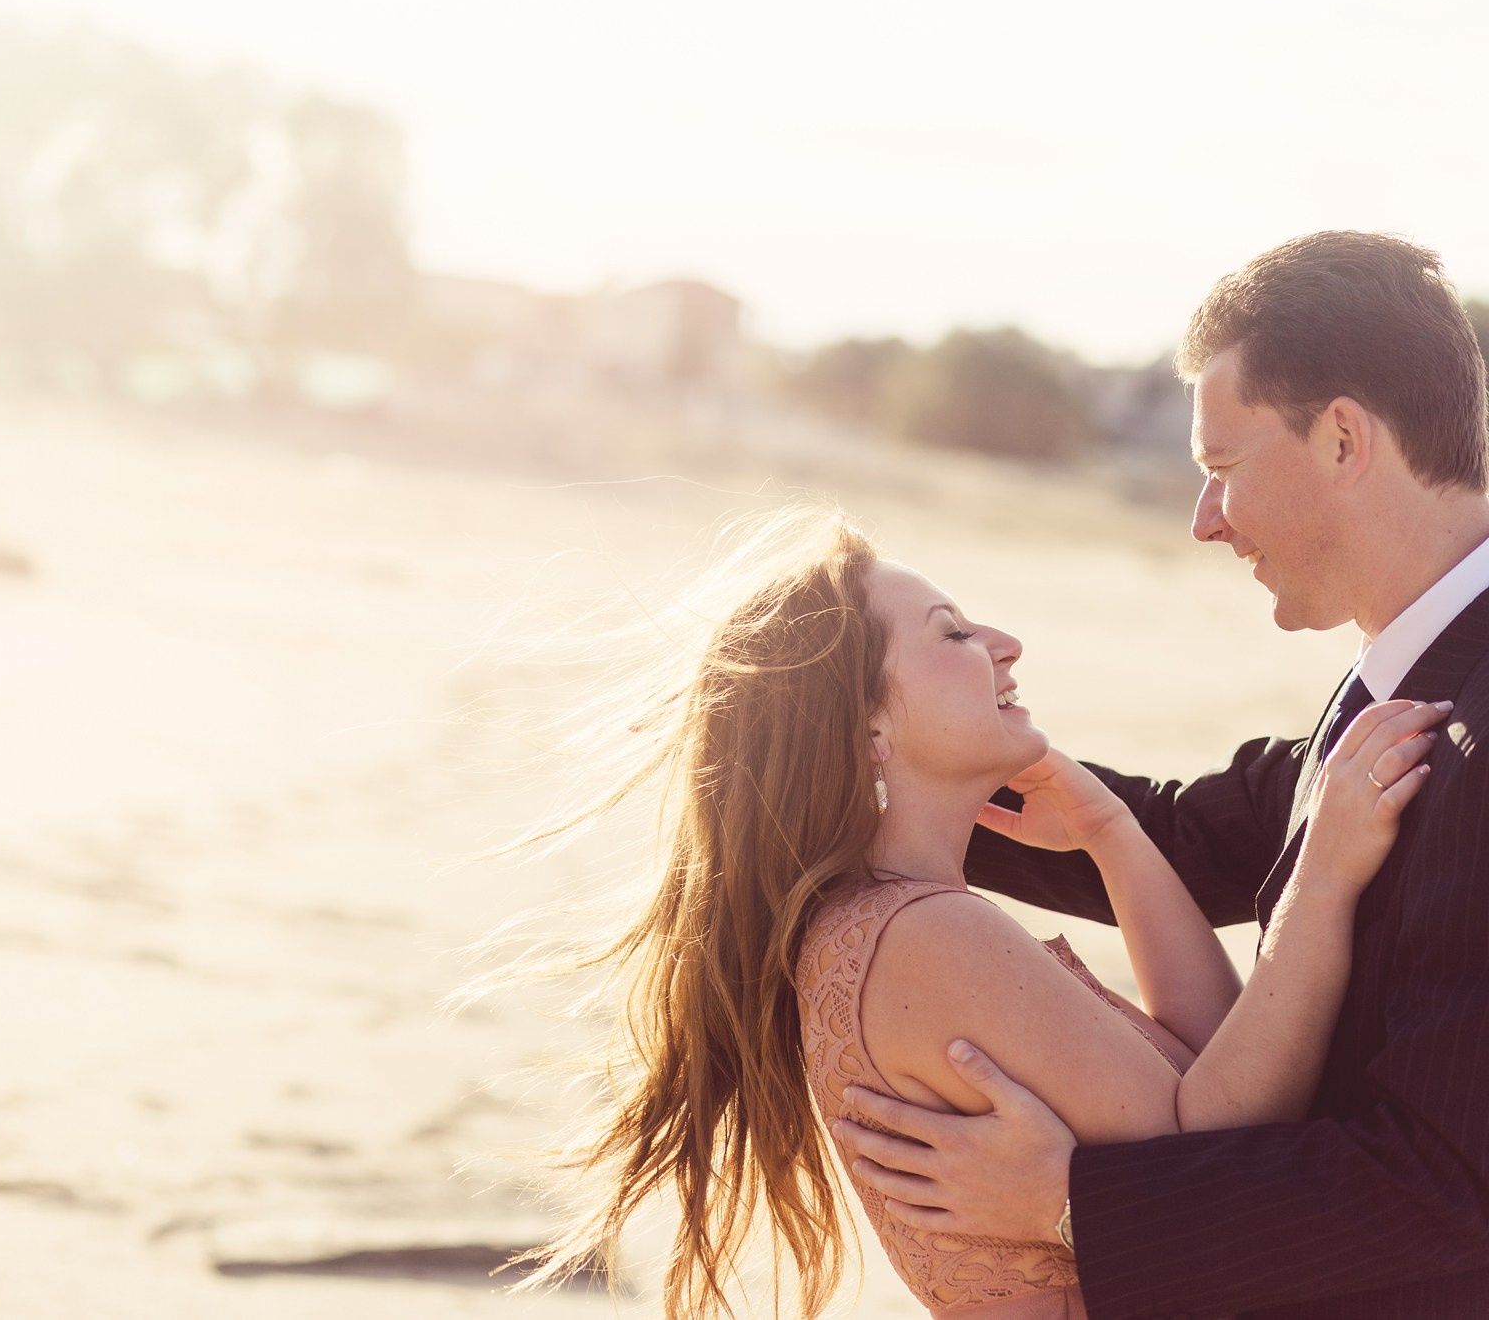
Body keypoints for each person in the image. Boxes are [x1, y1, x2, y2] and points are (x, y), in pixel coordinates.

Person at [510, 508, 1440, 1320]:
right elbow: (1223, 1133)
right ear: (867, 730)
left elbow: (1210, 1057)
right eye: (952, 635)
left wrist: (1111, 832)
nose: (1004, 643)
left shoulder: (887, 924)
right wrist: (1323, 879)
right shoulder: (922, 935)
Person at [836, 231, 1489, 1319]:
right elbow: (1188, 838)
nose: (1200, 520)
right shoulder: (1398, 685)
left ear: (1339, 440)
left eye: (1221, 468)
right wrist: (876, 767)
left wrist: (1070, 1203)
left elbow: (1446, 1182)